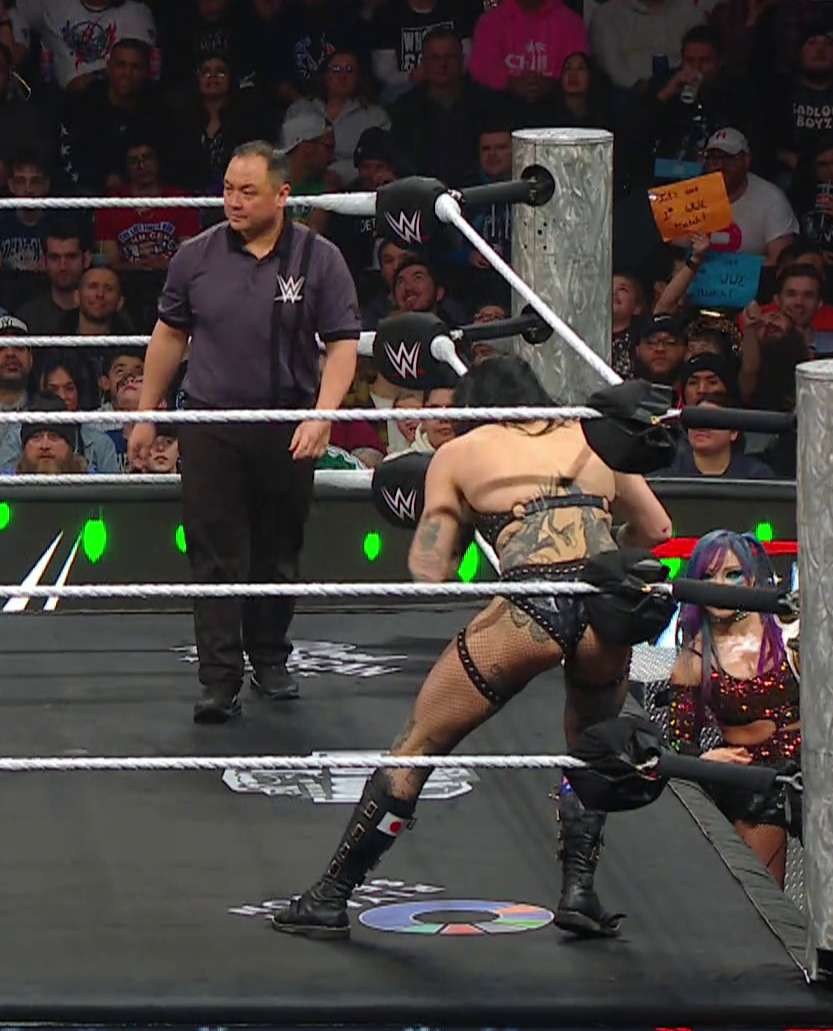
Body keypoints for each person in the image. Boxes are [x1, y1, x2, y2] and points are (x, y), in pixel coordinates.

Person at [271, 356, 674, 940]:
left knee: (416, 747)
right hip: (607, 608)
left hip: (531, 607)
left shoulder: (461, 453)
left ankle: (330, 896)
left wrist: (445, 509)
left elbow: (430, 569)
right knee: (590, 748)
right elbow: (657, 529)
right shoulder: (596, 435)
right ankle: (579, 893)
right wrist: (606, 554)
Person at [128, 139, 361, 719]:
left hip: (287, 422)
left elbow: (342, 345)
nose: (233, 201)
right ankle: (218, 679)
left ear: (283, 196)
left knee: (278, 548)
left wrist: (323, 415)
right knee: (213, 552)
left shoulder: (319, 258)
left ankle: (270, 658)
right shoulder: (196, 255)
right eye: (229, 189)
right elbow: (169, 335)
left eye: (248, 191)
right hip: (212, 422)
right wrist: (147, 412)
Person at [663, 530, 799, 886]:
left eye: (732, 574)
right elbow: (678, 744)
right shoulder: (694, 658)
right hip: (753, 779)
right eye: (708, 576)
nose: (719, 586)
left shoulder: (788, 634)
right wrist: (705, 761)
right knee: (759, 890)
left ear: (751, 579)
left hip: (814, 767)